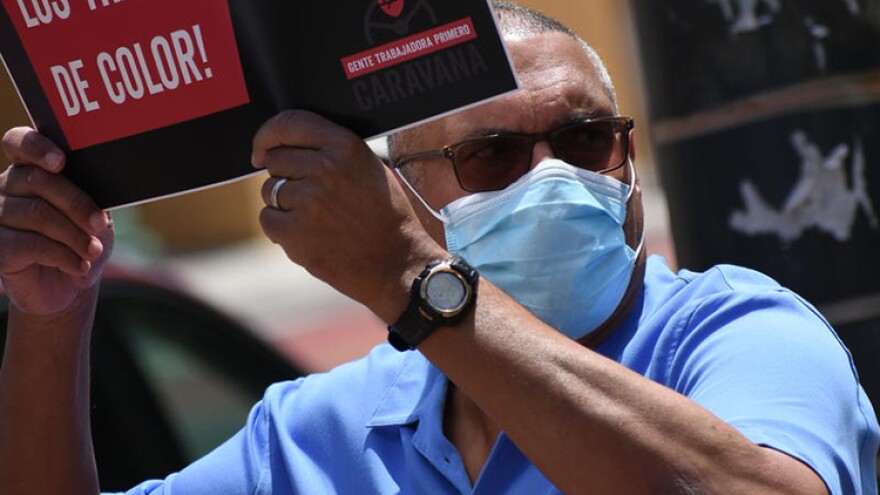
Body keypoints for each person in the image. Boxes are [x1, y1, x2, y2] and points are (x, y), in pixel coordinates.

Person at [0, 2, 877, 494]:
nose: (551, 179)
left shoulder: (736, 333)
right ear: (411, 188)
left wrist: (414, 277)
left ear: (630, 160)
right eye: (491, 156)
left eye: (586, 142)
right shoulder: (323, 434)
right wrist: (56, 313)